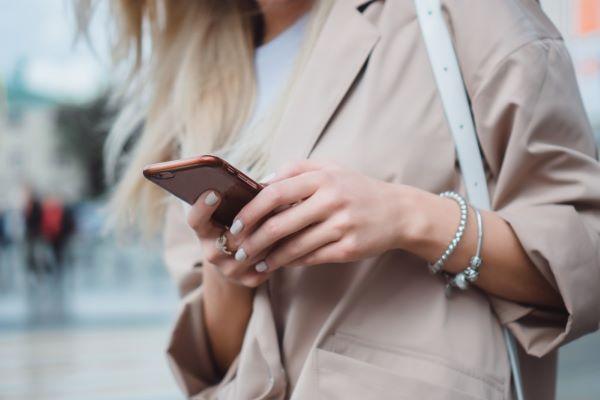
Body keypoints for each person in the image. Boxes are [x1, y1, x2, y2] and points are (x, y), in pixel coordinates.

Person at [86, 0, 600, 398]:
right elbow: (218, 365)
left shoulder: (453, 12)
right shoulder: (196, 81)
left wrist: (407, 217)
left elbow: (587, 253)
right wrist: (228, 271)